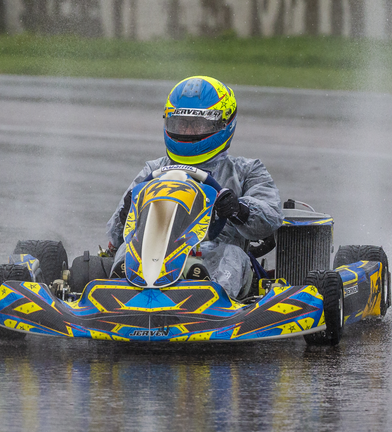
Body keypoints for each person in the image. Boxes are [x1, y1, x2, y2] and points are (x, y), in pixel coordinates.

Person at [106, 76, 283, 298]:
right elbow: (115, 237)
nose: (188, 133)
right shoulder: (153, 170)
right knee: (126, 250)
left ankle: (211, 297)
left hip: (212, 255)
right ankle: (118, 296)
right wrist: (126, 215)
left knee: (231, 255)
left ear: (224, 124)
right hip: (153, 256)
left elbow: (272, 218)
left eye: (198, 125)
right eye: (181, 124)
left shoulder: (245, 170)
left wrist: (239, 209)